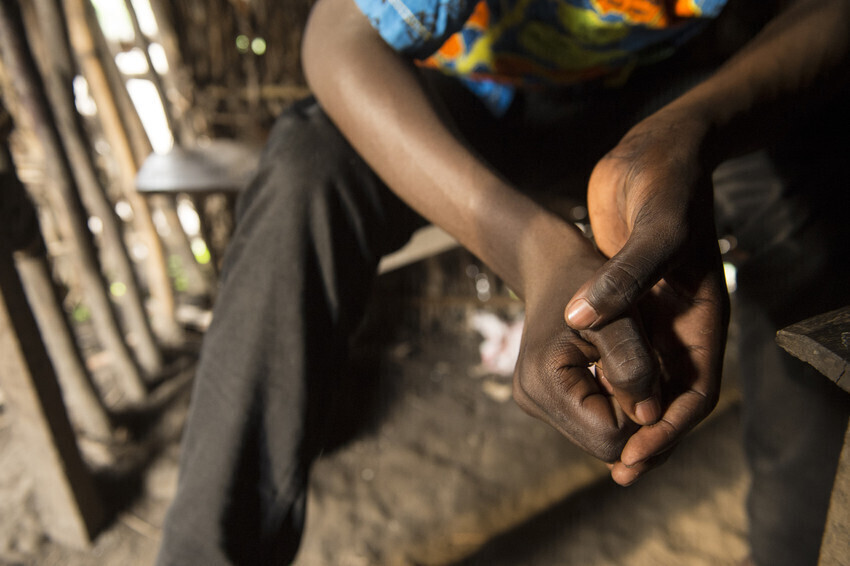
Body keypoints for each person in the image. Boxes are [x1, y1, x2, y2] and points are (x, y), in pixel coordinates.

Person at [156, 0, 850, 564]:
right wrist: (529, 246)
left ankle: (800, 547)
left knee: (807, 214)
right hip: (475, 96)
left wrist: (696, 129)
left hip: (693, 85)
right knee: (308, 171)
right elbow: (340, 39)